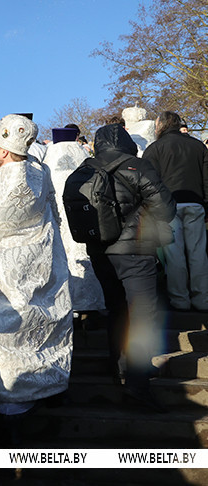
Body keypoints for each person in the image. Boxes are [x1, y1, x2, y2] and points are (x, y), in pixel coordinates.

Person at [0, 109, 73, 446]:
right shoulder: (37, 169)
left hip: (6, 282)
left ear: (5, 151)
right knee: (43, 340)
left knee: (11, 350)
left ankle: (13, 423)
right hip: (41, 273)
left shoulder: (11, 181)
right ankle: (50, 389)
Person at [85, 124, 176, 412]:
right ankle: (137, 385)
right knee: (142, 317)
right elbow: (166, 207)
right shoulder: (137, 166)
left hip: (100, 253)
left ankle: (121, 368)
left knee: (116, 310)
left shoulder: (83, 169)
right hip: (136, 251)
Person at [142, 111, 208, 311]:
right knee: (198, 253)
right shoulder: (198, 146)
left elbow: (150, 183)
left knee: (174, 255)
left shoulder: (154, 149)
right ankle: (202, 298)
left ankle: (180, 300)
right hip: (195, 203)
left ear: (160, 125)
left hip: (168, 207)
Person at [44, 128, 106, 315]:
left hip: (60, 220)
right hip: (84, 218)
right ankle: (92, 304)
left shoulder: (50, 160)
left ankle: (67, 305)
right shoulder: (82, 155)